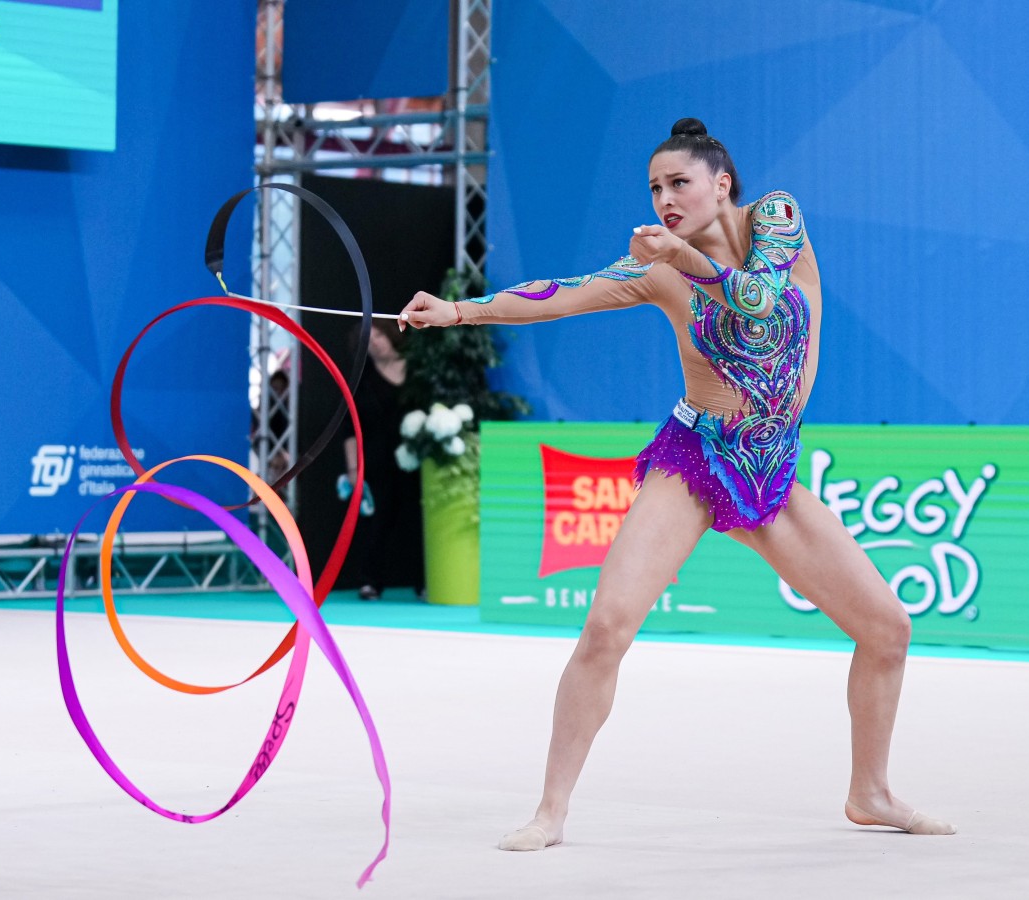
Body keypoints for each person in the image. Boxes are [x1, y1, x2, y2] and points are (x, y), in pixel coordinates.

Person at [398, 118, 954, 849]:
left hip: (770, 467)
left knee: (887, 630)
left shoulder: (775, 219)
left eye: (679, 182)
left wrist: (683, 256)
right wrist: (459, 311)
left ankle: (870, 792)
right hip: (695, 457)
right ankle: (550, 812)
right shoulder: (661, 271)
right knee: (607, 625)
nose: (664, 198)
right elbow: (565, 293)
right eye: (655, 187)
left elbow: (759, 299)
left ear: (722, 184)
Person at [344, 321, 424, 600]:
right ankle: (370, 582)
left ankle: (425, 582)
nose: (375, 343)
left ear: (390, 335)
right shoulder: (361, 380)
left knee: (417, 522)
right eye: (368, 341)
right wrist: (353, 468)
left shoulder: (419, 371)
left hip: (417, 461)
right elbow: (349, 429)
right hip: (377, 463)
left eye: (378, 335)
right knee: (376, 524)